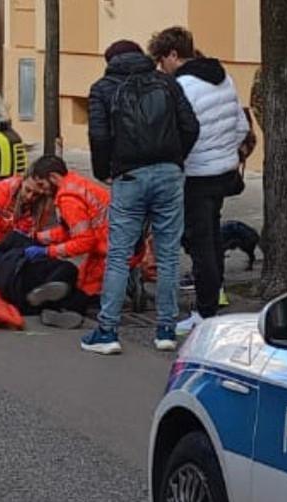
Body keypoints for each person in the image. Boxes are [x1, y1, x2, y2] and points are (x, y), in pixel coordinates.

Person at [80, 39, 199, 355]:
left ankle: (107, 332)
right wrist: (175, 159)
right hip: (168, 173)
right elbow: (190, 126)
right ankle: (165, 331)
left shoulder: (102, 88)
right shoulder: (166, 82)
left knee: (118, 254)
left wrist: (104, 170)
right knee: (169, 253)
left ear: (111, 61)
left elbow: (99, 135)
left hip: (129, 176)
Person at [149, 27, 249, 336]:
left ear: (174, 56)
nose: (159, 67)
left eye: (160, 59)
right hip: (223, 172)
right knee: (212, 237)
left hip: (196, 175)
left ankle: (205, 312)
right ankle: (212, 298)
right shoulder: (224, 78)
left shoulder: (181, 87)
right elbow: (241, 127)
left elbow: (174, 133)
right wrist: (224, 153)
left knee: (200, 242)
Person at [23, 155, 112, 327]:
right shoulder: (76, 183)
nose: (41, 191)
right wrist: (40, 238)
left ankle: (69, 310)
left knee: (85, 286)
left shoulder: (68, 200)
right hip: (114, 242)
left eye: (42, 184)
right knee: (82, 280)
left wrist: (48, 251)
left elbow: (84, 241)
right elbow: (70, 230)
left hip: (111, 250)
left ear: (54, 178)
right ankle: (63, 301)